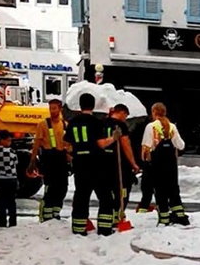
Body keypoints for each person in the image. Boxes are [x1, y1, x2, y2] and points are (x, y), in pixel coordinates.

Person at [64, 93, 117, 236]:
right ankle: (105, 228)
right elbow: (101, 144)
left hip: (80, 164)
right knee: (105, 196)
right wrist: (113, 138)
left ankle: (78, 228)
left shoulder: (72, 122)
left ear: (80, 105)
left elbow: (67, 145)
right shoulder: (96, 122)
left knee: (81, 195)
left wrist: (73, 153)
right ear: (93, 105)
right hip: (96, 163)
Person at [141, 103, 189, 226]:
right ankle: (179, 214)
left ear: (153, 112)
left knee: (160, 190)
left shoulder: (151, 127)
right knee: (173, 189)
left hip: (157, 164)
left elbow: (146, 147)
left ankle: (164, 218)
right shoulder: (172, 127)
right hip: (171, 164)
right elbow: (181, 145)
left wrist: (145, 160)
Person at [28, 99, 70, 222]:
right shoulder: (43, 124)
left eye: (54, 108)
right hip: (49, 158)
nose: (52, 111)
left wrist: (69, 155)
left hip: (62, 159)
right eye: (50, 108)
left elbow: (69, 144)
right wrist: (32, 161)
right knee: (50, 187)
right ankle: (46, 215)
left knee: (62, 187)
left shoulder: (65, 125)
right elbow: (36, 144)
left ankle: (55, 212)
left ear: (60, 108)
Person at [104, 104, 140, 226]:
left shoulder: (102, 123)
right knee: (122, 191)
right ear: (122, 112)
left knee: (108, 191)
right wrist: (133, 163)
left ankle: (109, 216)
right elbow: (126, 145)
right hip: (119, 163)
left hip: (104, 162)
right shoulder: (120, 125)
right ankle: (118, 215)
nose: (125, 118)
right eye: (126, 116)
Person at [0, 130, 18, 228]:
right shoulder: (10, 151)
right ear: (2, 140)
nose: (10, 143)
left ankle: (2, 222)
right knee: (11, 201)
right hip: (10, 178)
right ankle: (12, 222)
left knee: (1, 201)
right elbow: (15, 162)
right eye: (9, 141)